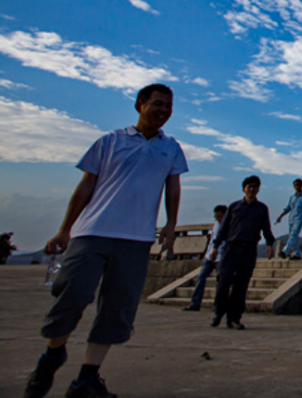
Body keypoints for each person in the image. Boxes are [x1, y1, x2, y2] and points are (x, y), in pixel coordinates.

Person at [23, 83, 186, 398]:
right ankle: (53, 354)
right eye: (158, 104)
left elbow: (173, 187)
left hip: (137, 239)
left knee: (117, 309)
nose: (164, 110)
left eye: (169, 106)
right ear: (139, 104)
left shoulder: (172, 148)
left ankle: (87, 377)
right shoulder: (110, 141)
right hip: (92, 233)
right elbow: (86, 186)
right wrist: (64, 229)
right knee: (71, 296)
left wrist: (170, 224)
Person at [211, 176, 275, 330]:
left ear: (258, 189)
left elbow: (266, 227)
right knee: (224, 281)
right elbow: (224, 228)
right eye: (249, 186)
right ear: (243, 189)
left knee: (241, 286)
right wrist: (215, 247)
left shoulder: (261, 208)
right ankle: (219, 312)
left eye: (255, 187)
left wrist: (269, 244)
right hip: (231, 248)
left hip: (249, 249)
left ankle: (234, 318)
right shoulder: (233, 207)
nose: (252, 189)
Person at [183, 205, 228, 311]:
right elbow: (212, 239)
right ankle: (195, 303)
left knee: (220, 282)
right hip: (209, 256)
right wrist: (208, 252)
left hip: (221, 257)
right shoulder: (216, 224)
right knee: (200, 278)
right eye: (216, 218)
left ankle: (218, 305)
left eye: (220, 218)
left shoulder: (230, 225)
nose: (218, 220)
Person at [275, 179, 302, 260]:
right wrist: (280, 216)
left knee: (293, 235)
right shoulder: (292, 197)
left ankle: (285, 251)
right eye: (296, 185)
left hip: (300, 218)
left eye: (299, 184)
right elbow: (288, 208)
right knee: (294, 236)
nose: (297, 186)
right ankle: (297, 253)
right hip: (291, 219)